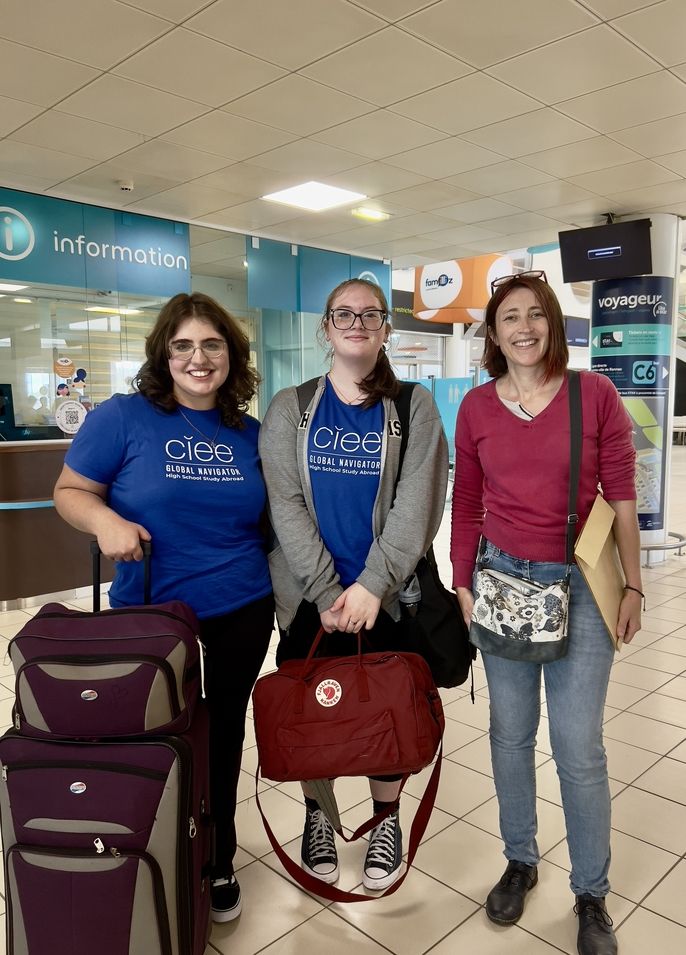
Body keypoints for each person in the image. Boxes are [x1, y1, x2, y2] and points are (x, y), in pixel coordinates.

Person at [53, 291, 274, 924]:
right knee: (150, 733)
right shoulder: (123, 417)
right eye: (183, 346)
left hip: (241, 606)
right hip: (148, 612)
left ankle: (219, 856)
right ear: (164, 355)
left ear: (231, 356)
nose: (198, 358)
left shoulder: (249, 434)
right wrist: (104, 521)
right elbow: (69, 491)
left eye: (212, 345)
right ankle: (143, 844)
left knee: (224, 734)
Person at [451, 272, 642, 955]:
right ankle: (520, 857)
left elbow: (621, 496)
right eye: (510, 317)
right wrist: (461, 578)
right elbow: (467, 497)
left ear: (553, 323)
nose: (524, 327)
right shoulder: (475, 407)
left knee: (577, 746)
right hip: (502, 581)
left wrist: (634, 586)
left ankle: (591, 893)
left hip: (582, 586)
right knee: (509, 732)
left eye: (536, 314)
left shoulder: (595, 394)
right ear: (494, 333)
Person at [260, 278, 448, 891]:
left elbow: (418, 502)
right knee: (314, 712)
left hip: (387, 596)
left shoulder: (412, 407)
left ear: (386, 328)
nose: (358, 322)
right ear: (326, 326)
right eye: (344, 313)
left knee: (384, 709)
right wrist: (323, 590)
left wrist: (371, 585)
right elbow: (284, 502)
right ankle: (319, 813)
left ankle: (386, 816)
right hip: (307, 599)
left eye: (371, 314)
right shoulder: (291, 407)